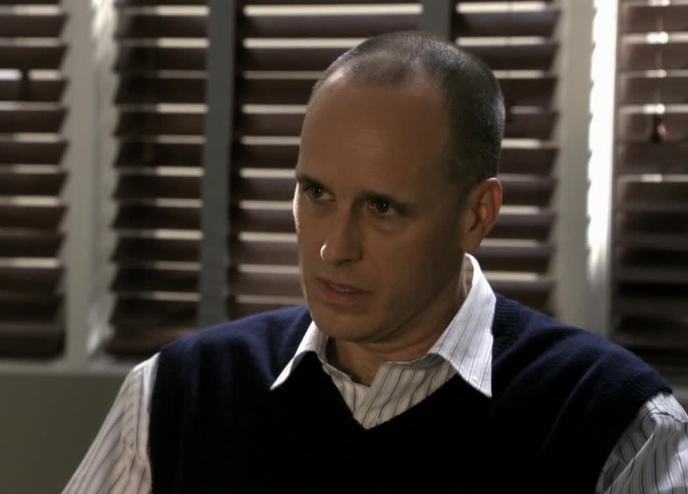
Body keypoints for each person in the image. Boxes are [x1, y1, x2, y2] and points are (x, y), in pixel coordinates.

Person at [64, 32, 688, 493]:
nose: (334, 248)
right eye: (316, 193)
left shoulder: (618, 426)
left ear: (477, 214)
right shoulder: (175, 394)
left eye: (382, 207)